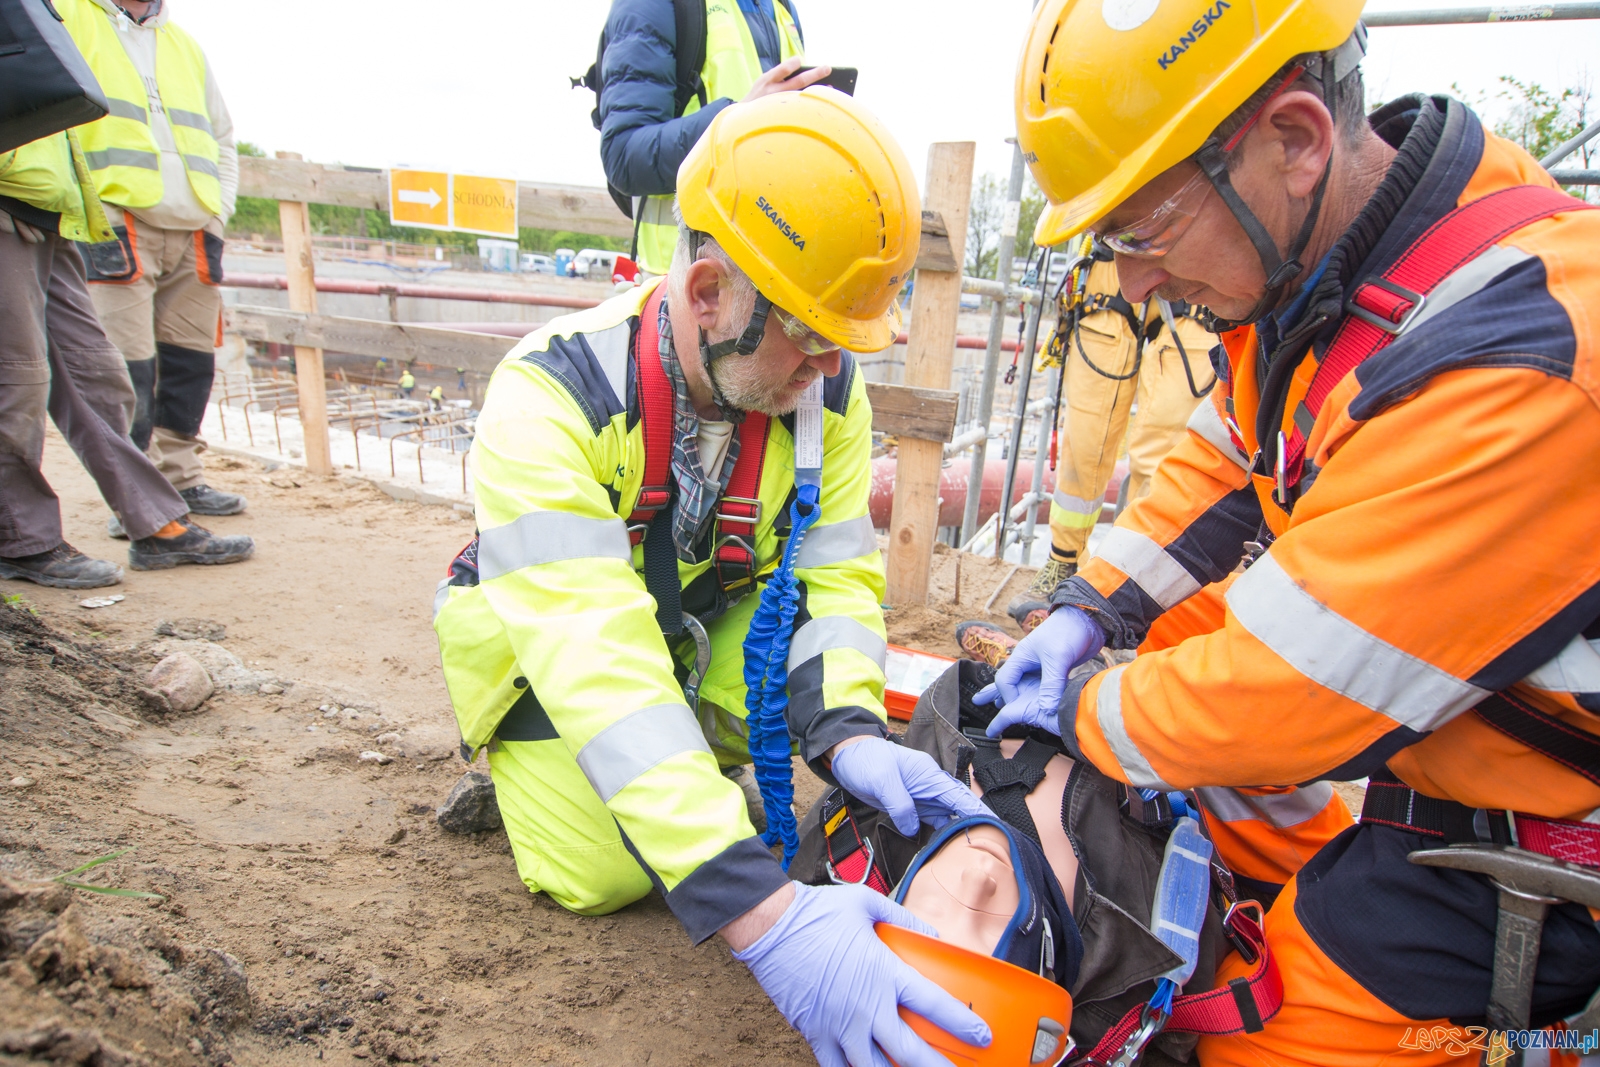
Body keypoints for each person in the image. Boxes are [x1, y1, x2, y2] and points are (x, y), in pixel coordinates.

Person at [991, 0, 1600, 1061]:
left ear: (1296, 140)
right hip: (1449, 752)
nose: (1132, 282)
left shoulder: (1522, 355)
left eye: (1146, 228)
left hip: (1549, 854)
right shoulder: (1342, 276)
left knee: (1237, 1036)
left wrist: (1085, 706)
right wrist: (1088, 604)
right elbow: (1231, 454)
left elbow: (1289, 690)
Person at [434, 89, 995, 1066]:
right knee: (601, 874)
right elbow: (597, 660)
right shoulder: (544, 401)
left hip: (697, 620)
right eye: (809, 337)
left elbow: (831, 581)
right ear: (706, 296)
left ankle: (675, 778)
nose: (825, 374)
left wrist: (850, 730)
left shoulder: (822, 386)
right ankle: (577, 775)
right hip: (553, 656)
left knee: (720, 767)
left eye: (843, 343)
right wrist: (765, 915)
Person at [0, 131, 254, 588]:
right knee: (18, 384)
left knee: (97, 375)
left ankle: (153, 521)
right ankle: (23, 539)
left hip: (54, 211)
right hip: (8, 204)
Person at [58, 0, 247, 523]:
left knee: (190, 363)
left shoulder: (183, 44)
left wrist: (218, 212)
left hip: (194, 225)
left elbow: (221, 136)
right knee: (126, 367)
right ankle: (136, 499)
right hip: (119, 220)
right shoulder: (70, 19)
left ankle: (181, 479)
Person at [1006, 240, 1216, 632]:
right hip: (1111, 261)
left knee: (1166, 443)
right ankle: (1064, 558)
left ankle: (1138, 580)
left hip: (1194, 259)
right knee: (1087, 437)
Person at [597, 0, 828, 275]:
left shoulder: (781, 8)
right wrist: (738, 121)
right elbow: (625, 157)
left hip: (769, 281)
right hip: (684, 286)